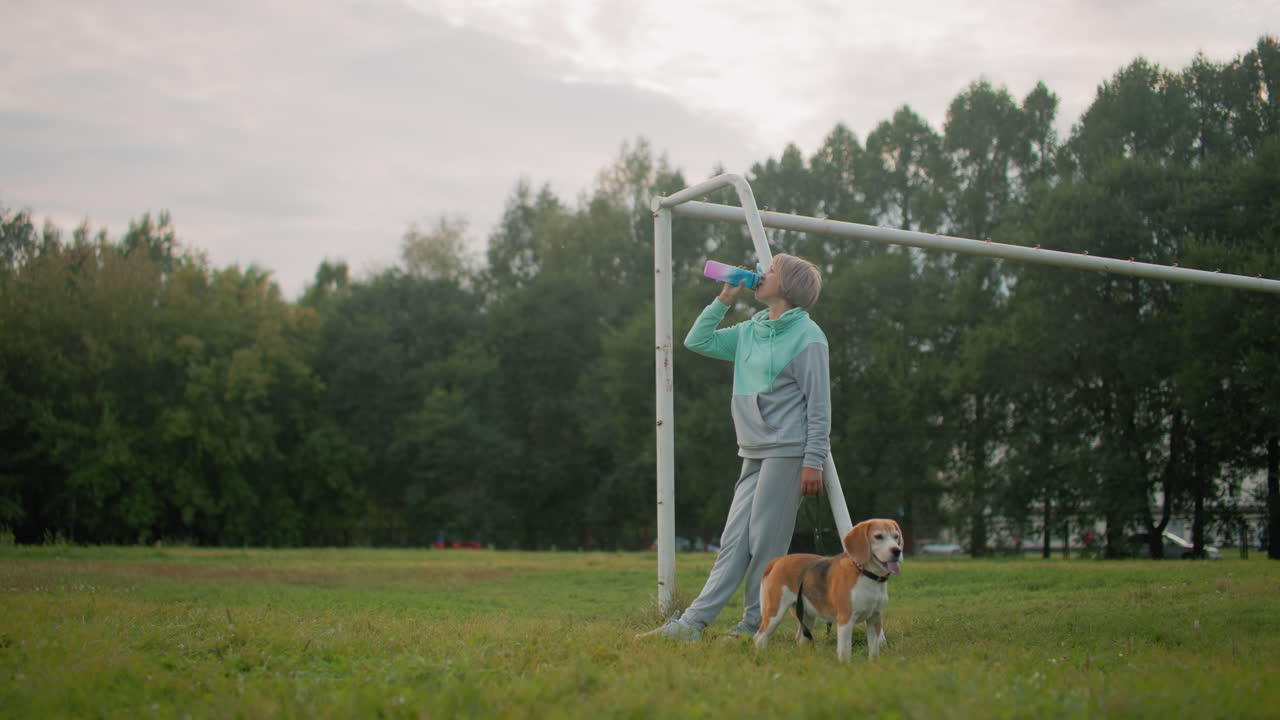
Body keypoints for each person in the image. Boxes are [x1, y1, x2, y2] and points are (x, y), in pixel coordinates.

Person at [638, 253, 830, 641]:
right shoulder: (750, 331)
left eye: (771, 270)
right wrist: (724, 298)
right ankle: (692, 624)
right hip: (752, 449)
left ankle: (753, 624)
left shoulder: (809, 337)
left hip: (787, 451)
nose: (761, 273)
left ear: (788, 286)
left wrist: (813, 462)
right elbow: (697, 340)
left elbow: (819, 406)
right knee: (733, 542)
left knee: (766, 544)